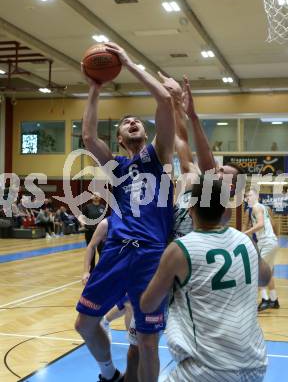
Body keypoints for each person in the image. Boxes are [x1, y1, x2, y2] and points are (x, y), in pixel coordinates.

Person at [75, 42, 175, 382]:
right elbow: (88, 136)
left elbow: (164, 101)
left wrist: (129, 62)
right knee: (84, 324)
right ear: (118, 138)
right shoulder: (115, 166)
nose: (132, 122)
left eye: (136, 121)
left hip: (150, 255)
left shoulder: (157, 155)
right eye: (125, 122)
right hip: (116, 252)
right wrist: (94, 88)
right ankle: (109, 374)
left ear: (145, 133)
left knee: (148, 342)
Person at [140, 177, 271, 381]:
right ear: (224, 210)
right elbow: (265, 278)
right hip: (255, 365)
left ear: (191, 208)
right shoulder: (245, 241)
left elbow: (147, 305)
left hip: (208, 370)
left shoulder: (180, 250)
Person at [245, 188, 280, 311]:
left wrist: (246, 232)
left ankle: (265, 300)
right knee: (268, 273)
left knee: (257, 272)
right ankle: (274, 300)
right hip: (270, 242)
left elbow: (260, 224)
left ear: (256, 196)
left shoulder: (256, 207)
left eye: (249, 195)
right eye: (246, 196)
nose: (247, 198)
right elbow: (271, 224)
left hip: (267, 242)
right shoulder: (263, 208)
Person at [81, 193, 107, 271]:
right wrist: (83, 225)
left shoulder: (103, 207)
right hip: (89, 231)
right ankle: (91, 269)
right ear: (91, 197)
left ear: (100, 197)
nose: (96, 196)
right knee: (91, 250)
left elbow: (106, 219)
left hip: (101, 232)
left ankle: (101, 268)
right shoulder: (87, 207)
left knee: (101, 250)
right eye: (94, 195)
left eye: (97, 195)